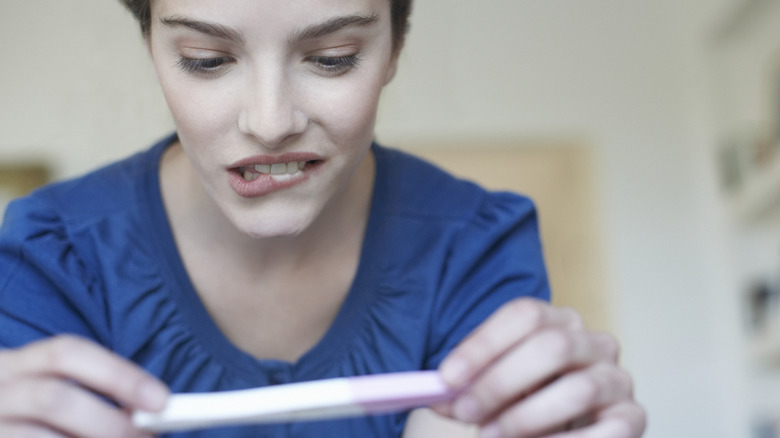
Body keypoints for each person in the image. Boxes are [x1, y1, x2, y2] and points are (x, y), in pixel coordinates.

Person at [0, 0, 646, 437]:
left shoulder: (474, 246)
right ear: (151, 47)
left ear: (395, 47)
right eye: (206, 59)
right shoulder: (51, 257)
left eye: (333, 57)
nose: (271, 122)